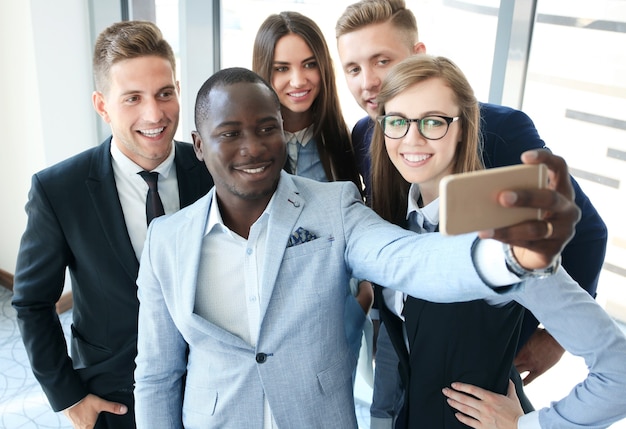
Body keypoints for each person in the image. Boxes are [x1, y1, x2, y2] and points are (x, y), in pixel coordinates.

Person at [133, 67, 581, 428]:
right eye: (229, 133)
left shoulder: (333, 206)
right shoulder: (166, 241)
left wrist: (512, 256)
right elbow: (156, 376)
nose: (252, 147)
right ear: (197, 145)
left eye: (267, 128)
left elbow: (413, 259)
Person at [335, 0, 608, 415]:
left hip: (474, 336)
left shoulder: (503, 129)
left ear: (418, 55)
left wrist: (553, 337)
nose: (368, 82)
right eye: (353, 69)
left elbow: (584, 233)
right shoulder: (366, 135)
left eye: (382, 60)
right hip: (405, 333)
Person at [11, 21, 213, 429]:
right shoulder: (58, 190)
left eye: (164, 93)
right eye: (132, 98)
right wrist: (69, 397)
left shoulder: (211, 168)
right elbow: (32, 304)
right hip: (114, 396)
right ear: (102, 105)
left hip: (212, 386)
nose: (154, 114)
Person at [252, 11, 372, 364]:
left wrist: (362, 299)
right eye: (281, 68)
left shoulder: (343, 143)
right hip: (267, 320)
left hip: (334, 317)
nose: (298, 79)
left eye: (309, 64)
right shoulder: (245, 150)